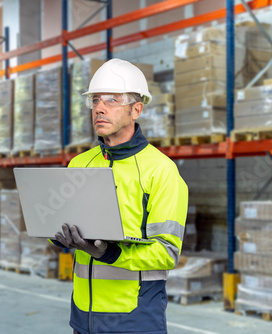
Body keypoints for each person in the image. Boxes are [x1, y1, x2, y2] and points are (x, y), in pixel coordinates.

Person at [52, 58, 189, 334]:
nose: (99, 108)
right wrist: (58, 234)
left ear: (136, 109)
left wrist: (110, 253)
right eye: (96, 100)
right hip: (82, 318)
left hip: (134, 320)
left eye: (112, 100)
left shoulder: (161, 171)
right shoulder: (80, 165)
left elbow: (167, 252)